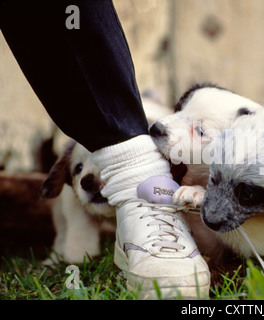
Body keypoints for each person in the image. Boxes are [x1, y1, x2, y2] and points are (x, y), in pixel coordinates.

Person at [0, 0, 210, 299]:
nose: (87, 178)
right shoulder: (74, 186)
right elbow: (70, 209)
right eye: (78, 170)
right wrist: (74, 243)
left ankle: (138, 176)